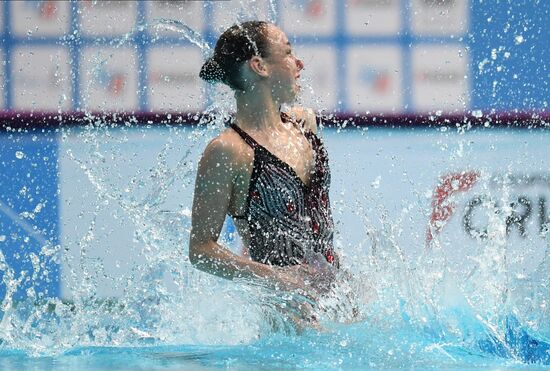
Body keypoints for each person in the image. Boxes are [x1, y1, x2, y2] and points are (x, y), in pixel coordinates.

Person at [189, 21, 338, 304]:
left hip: (342, 306)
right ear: (260, 66)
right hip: (290, 327)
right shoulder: (228, 151)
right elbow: (200, 251)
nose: (299, 63)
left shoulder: (304, 124)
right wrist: (277, 277)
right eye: (288, 53)